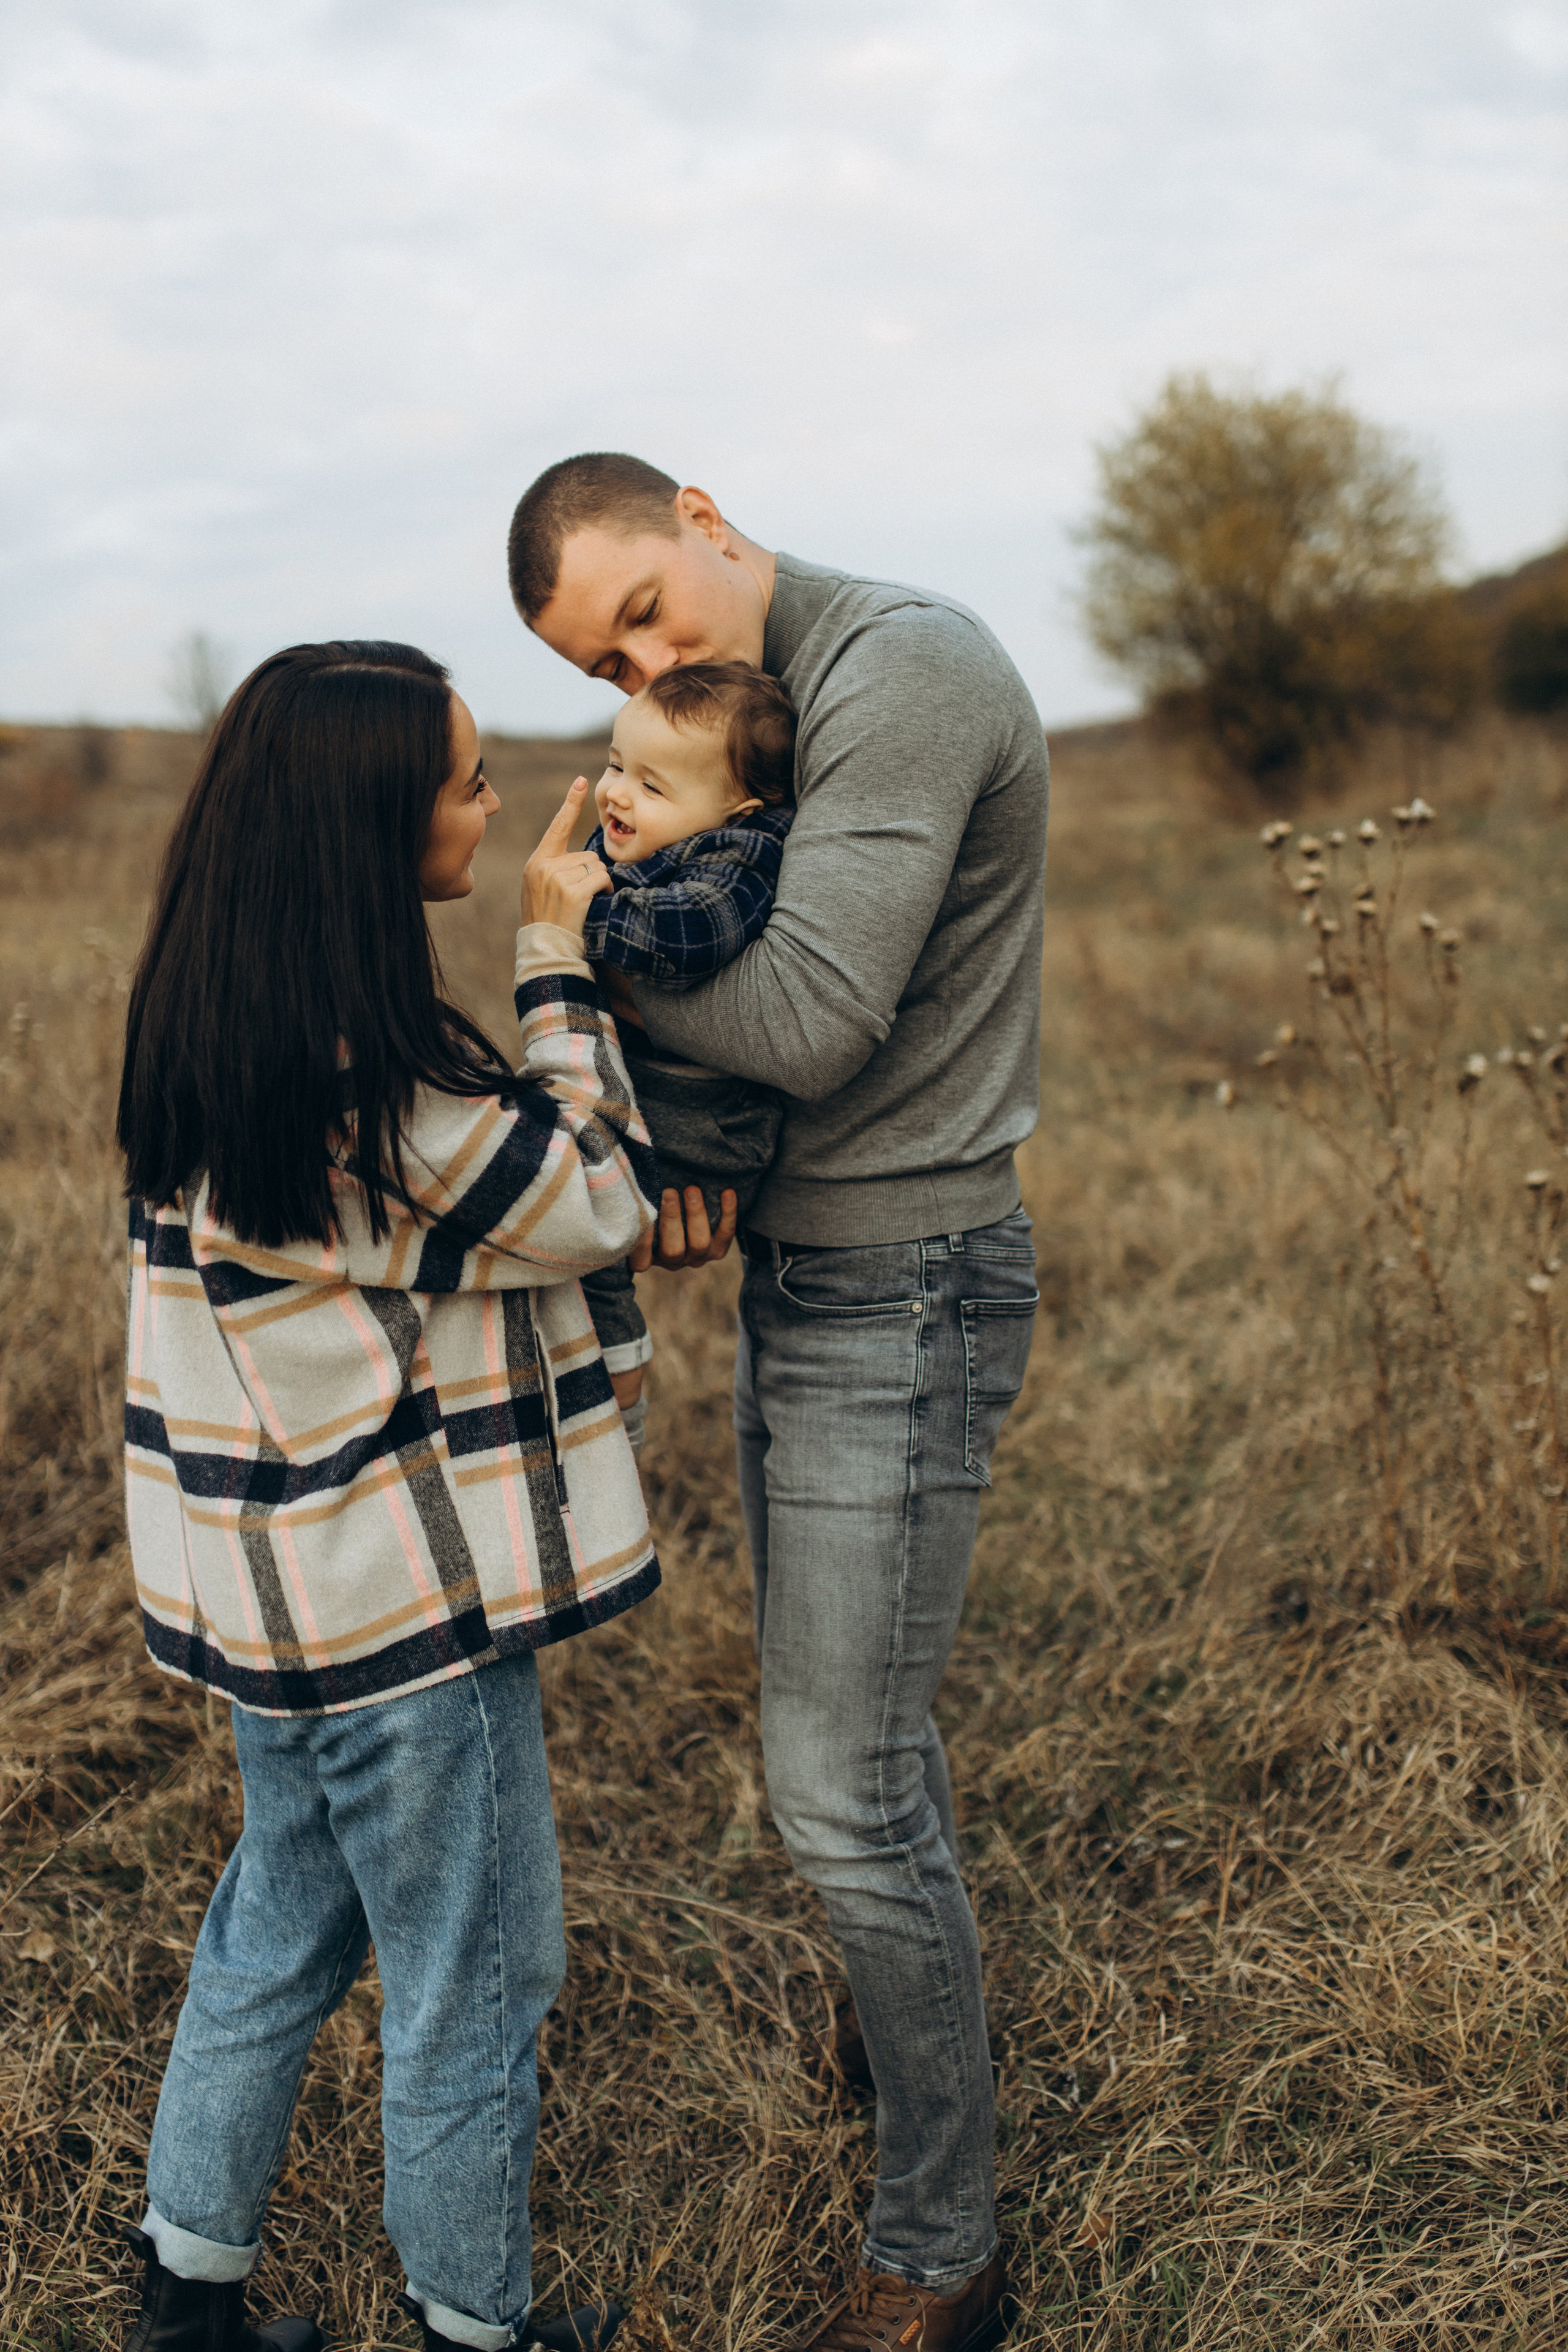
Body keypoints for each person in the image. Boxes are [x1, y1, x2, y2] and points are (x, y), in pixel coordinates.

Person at [508, 457, 1047, 2352]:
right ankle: (920, 2053)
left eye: (649, 603)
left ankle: (941, 2244)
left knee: (834, 1783)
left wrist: (573, 937)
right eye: (609, 658)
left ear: (704, 508)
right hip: (815, 1266)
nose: (651, 659)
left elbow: (810, 1017)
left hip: (901, 1279)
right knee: (852, 1748)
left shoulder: (899, 670)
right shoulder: (753, 713)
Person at [115, 640, 655, 2352]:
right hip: (408, 1627)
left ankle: (186, 2294)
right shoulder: (369, 1085)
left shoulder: (224, 1038)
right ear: (370, 822)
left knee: (279, 1924)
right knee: (472, 1987)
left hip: (281, 1604)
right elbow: (588, 1197)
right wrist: (559, 960)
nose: (497, 804)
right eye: (469, 778)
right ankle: (475, 2328)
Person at [573, 658, 797, 1436]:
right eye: (614, 764)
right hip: (657, 1093)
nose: (617, 792)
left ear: (735, 809)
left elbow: (695, 931)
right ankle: (597, 1381)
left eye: (653, 785)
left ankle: (615, 1394)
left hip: (700, 1120)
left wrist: (570, 923)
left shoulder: (741, 853)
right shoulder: (638, 847)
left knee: (577, 1224)